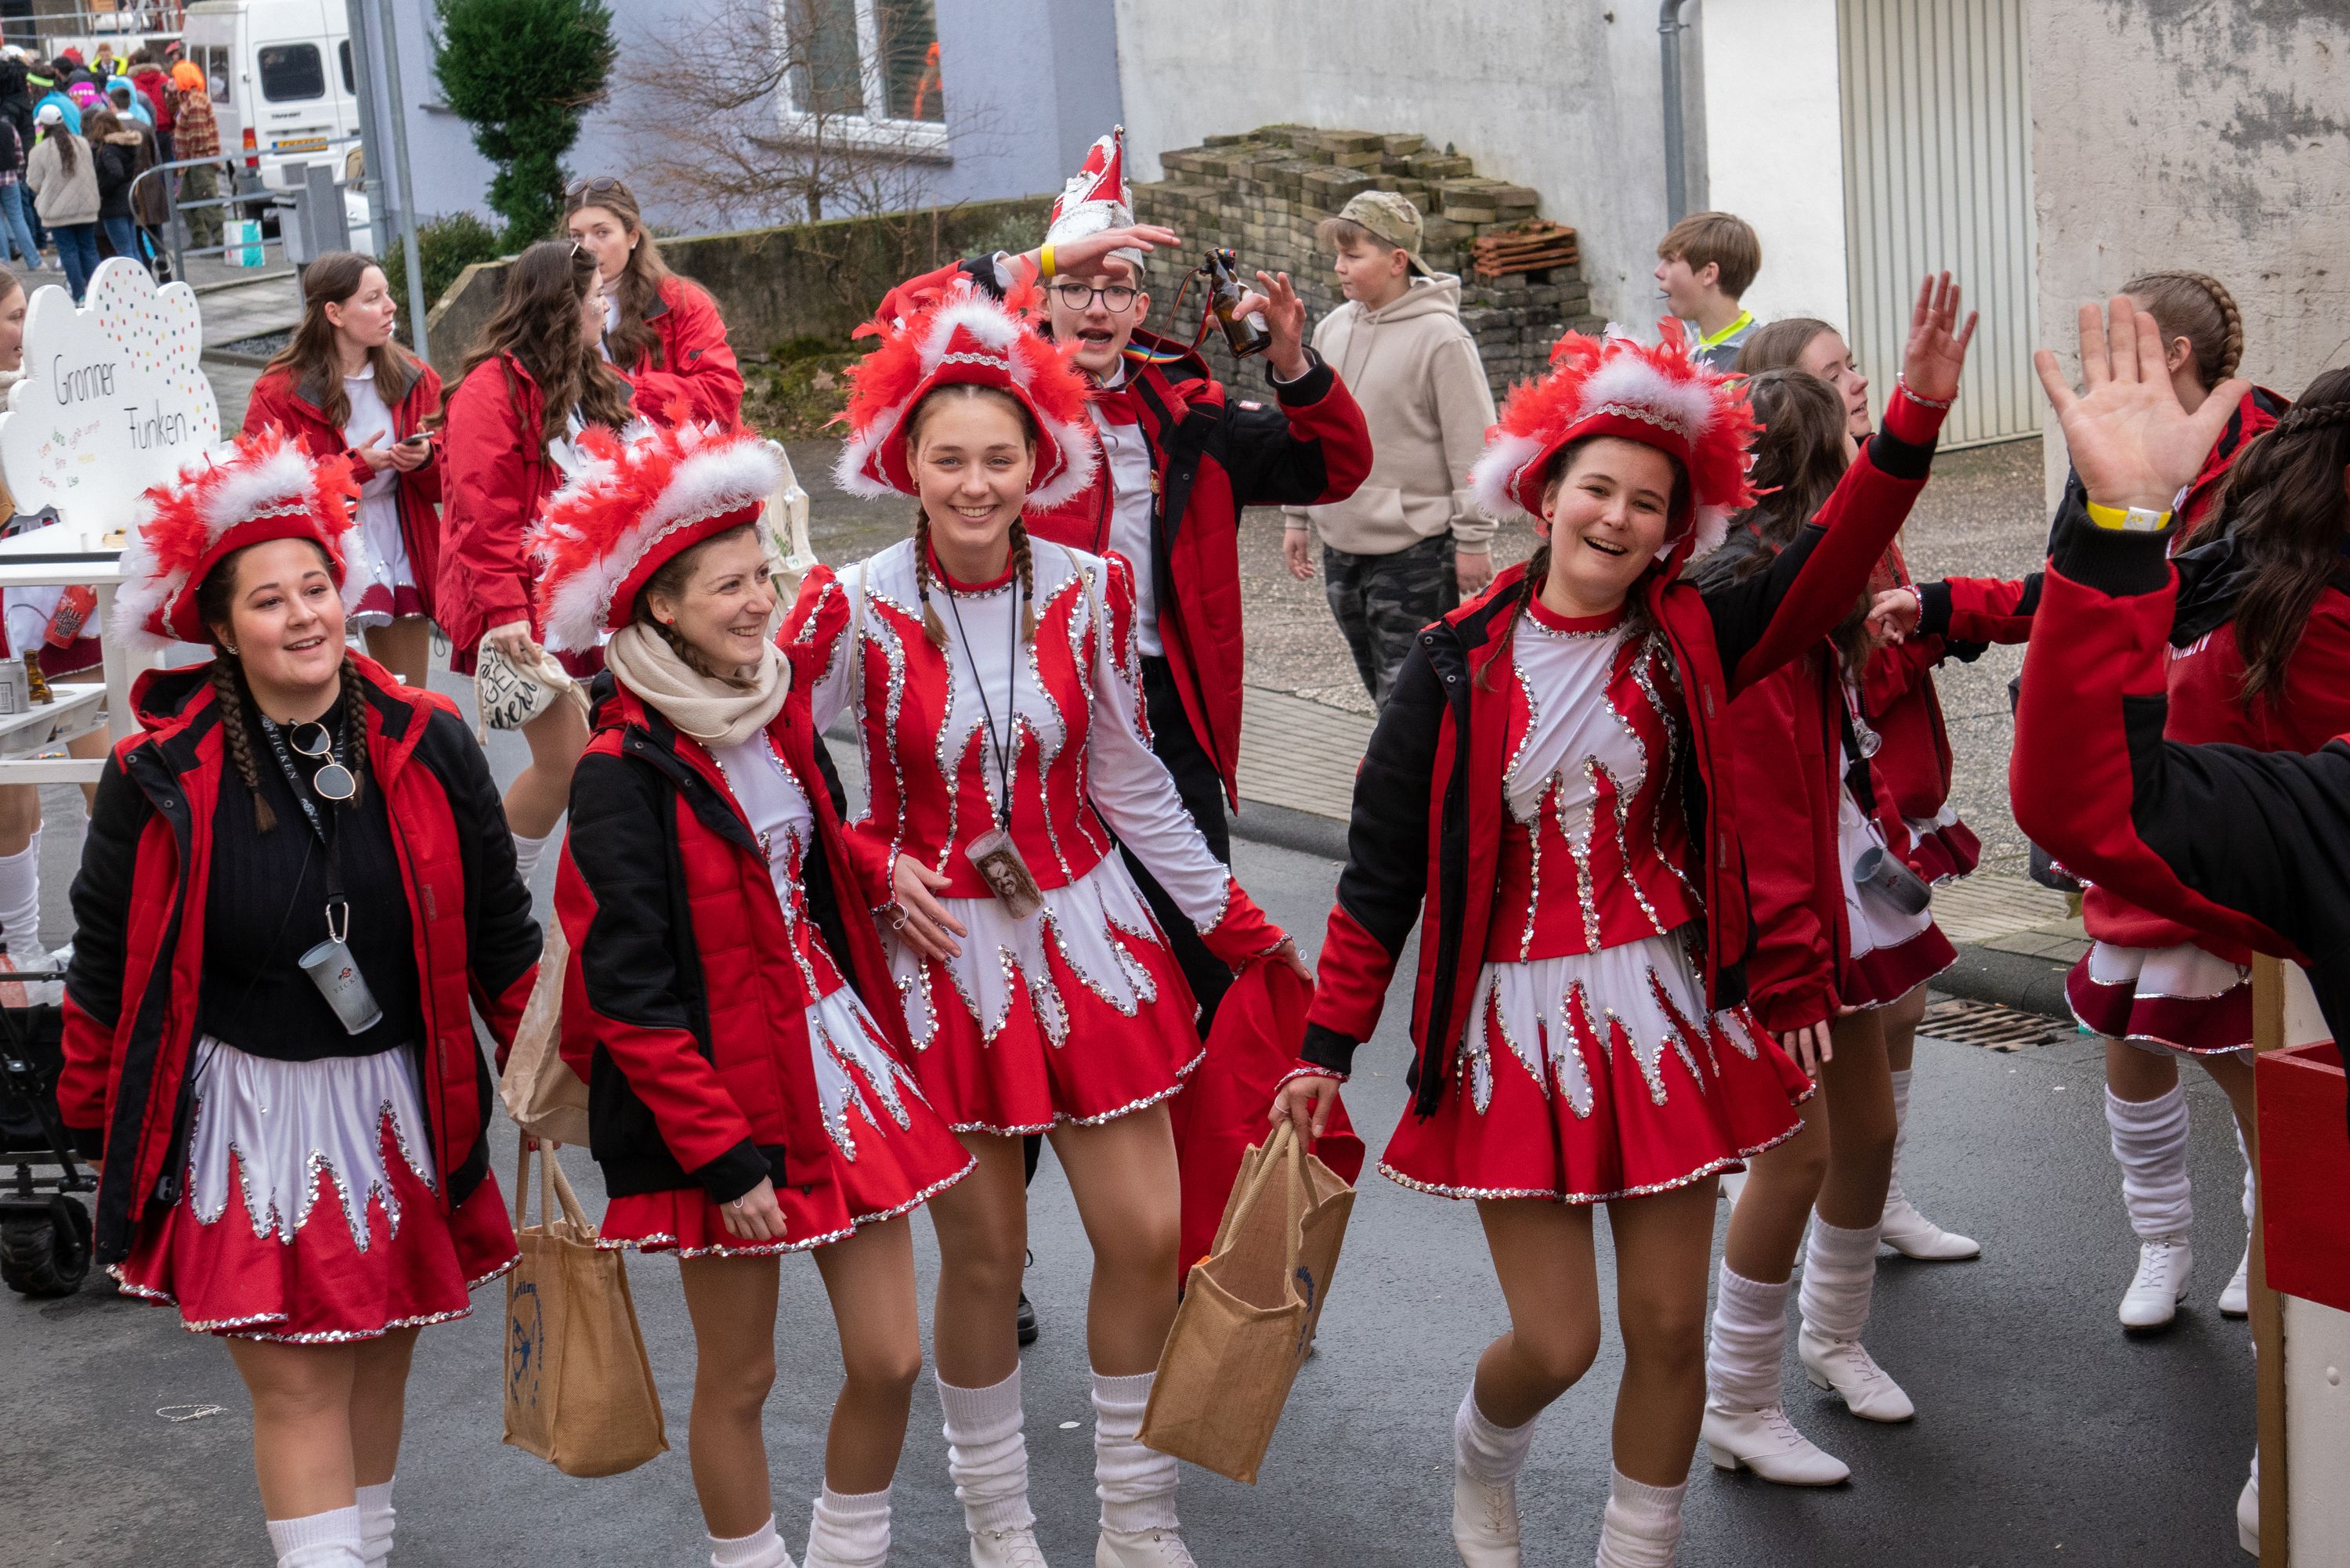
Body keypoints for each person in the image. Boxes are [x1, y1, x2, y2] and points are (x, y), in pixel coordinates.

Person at [1274, 277, 1975, 1568]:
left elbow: (1831, 558)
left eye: (1648, 502)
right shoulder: (1450, 663)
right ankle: (1481, 1457)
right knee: (1560, 1341)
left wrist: (1914, 417)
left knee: (1666, 1330)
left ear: (1674, 529)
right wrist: (1326, 1047)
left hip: (1662, 1009)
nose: (1617, 515)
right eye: (1596, 488)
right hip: (1510, 1026)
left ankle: (1635, 1549)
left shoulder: (1694, 634)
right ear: (1544, 494)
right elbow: (1380, 878)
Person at [806, 276, 1307, 1568]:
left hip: (1086, 934)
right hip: (942, 956)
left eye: (1000, 457)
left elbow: (1128, 776)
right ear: (903, 463)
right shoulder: (854, 602)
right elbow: (781, 771)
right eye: (949, 458)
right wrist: (871, 859)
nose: (976, 483)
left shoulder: (1091, 588)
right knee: (986, 1258)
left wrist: (1235, 919)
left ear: (1041, 461)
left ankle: (1137, 1520)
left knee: (1147, 1235)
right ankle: (1000, 1526)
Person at [57, 427, 541, 1568]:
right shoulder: (153, 774)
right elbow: (104, 965)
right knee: (298, 1381)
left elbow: (501, 936)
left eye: (316, 587)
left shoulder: (430, 739)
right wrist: (90, 1116)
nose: (305, 616)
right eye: (269, 601)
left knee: (377, 1353)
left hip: (400, 1101)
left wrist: (548, 1076)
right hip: (244, 1115)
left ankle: (361, 1548)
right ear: (222, 629)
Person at [537, 421, 973, 1568]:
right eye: (729, 585)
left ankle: (844, 1552)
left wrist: (876, 867)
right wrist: (723, 1158)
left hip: (836, 1058)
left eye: (762, 575)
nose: (759, 600)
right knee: (741, 1376)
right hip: (720, 1099)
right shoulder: (619, 773)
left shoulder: (778, 709)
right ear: (662, 607)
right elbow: (627, 993)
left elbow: (812, 851)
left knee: (890, 1357)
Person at [876, 125, 1371, 1031]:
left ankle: (1199, 1100)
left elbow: (1335, 466)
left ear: (1142, 307)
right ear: (1043, 300)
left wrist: (1293, 365)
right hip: (1025, 699)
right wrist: (1040, 257)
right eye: (1077, 286)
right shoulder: (993, 405)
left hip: (1164, 703)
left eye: (1116, 288)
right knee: (1040, 942)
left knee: (1194, 942)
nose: (1096, 306)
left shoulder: (1191, 415)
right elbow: (901, 321)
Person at [1879, 269, 2293, 1327]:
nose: (2094, 370)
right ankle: (2161, 1244)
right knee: (2132, 1037)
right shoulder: (2117, 453)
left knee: (2246, 1048)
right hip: (2131, 773)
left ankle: (2273, 1238)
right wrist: (1943, 604)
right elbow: (2075, 590)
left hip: (2230, 785)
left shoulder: (2273, 461)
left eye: (2118, 345)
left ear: (2174, 358)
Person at [2006, 295, 2347, 1559]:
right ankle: (2178, 1258)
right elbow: (2093, 790)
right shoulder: (2269, 565)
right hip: (2224, 865)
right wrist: (2116, 529)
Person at [1678, 366, 1974, 1492]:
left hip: (1827, 896)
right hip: (1771, 923)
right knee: (1794, 1154)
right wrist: (1794, 969)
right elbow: (1761, 817)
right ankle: (1738, 1399)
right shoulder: (1751, 605)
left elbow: (1840, 753)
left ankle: (1834, 1335)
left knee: (1871, 1128)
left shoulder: (1805, 598)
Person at [1732, 315, 1981, 1263]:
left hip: (1875, 805)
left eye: (1853, 365)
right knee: (1819, 1093)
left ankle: (1880, 1195)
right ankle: (1826, 1206)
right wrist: (1934, 632)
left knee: (1898, 1009)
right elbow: (1852, 674)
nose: (1858, 383)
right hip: (1826, 832)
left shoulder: (1848, 508)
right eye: (1835, 375)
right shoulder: (1779, 557)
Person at [435, 240, 635, 883]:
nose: (605, 307)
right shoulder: (488, 391)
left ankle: (587, 910)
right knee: (566, 764)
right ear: (563, 306)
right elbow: (480, 514)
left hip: (581, 599)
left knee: (604, 763)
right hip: (524, 608)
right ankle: (494, 897)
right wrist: (504, 611)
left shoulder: (588, 377)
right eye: (596, 297)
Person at [1280, 189, 1499, 705]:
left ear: (1398, 261)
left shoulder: (1443, 338)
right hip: (1341, 544)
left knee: (1410, 698)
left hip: (1415, 551)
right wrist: (1297, 515)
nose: (1339, 267)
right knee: (1379, 689)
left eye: (1353, 255)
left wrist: (1474, 540)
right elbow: (1308, 428)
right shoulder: (1332, 328)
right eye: (1338, 255)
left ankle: (1425, 763)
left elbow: (1475, 446)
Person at [245, 251, 444, 687]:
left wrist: (427, 459)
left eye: (387, 294)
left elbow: (452, 479)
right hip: (316, 549)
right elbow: (263, 487)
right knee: (324, 689)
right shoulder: (278, 389)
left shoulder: (416, 377)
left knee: (407, 694)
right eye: (372, 299)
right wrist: (352, 469)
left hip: (401, 540)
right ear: (334, 313)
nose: (390, 306)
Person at [0, 266, 106, 972]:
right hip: (5, 617)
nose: (25, 331)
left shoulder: (61, 388)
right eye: (13, 317)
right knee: (11, 788)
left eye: (26, 315)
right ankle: (20, 955)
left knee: (111, 772)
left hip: (73, 609)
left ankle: (111, 934)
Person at [562, 175, 744, 428]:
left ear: (632, 236)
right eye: (577, 237)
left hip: (684, 450)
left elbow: (721, 395)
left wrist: (625, 389)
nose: (588, 247)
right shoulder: (557, 307)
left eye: (602, 232)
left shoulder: (682, 302)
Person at [1653, 211, 1760, 371]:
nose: (1658, 272)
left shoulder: (1761, 356)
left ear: (1709, 274)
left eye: (1670, 260)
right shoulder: (1682, 349)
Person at [25, 102, 96, 301]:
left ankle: (79, 295)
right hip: (86, 206)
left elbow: (33, 182)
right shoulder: (82, 143)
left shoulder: (39, 151)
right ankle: (97, 292)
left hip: (57, 211)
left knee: (69, 252)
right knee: (89, 249)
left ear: (43, 126)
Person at [169, 59, 220, 252]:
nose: (172, 81)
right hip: (191, 162)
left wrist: (191, 157)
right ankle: (200, 240)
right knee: (187, 200)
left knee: (208, 200)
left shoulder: (196, 101)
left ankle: (221, 241)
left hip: (200, 160)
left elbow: (199, 135)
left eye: (175, 77)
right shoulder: (188, 99)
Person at [84, 105, 141, 266]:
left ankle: (134, 281)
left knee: (124, 251)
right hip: (128, 199)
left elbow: (116, 173)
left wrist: (102, 191)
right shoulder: (126, 145)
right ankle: (143, 278)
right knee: (133, 248)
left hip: (113, 205)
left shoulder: (108, 150)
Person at [0, 61, 37, 269]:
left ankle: (4, 263)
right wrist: (19, 172)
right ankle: (34, 259)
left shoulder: (9, 108)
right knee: (18, 216)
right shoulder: (21, 107)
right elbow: (18, 152)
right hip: (12, 175)